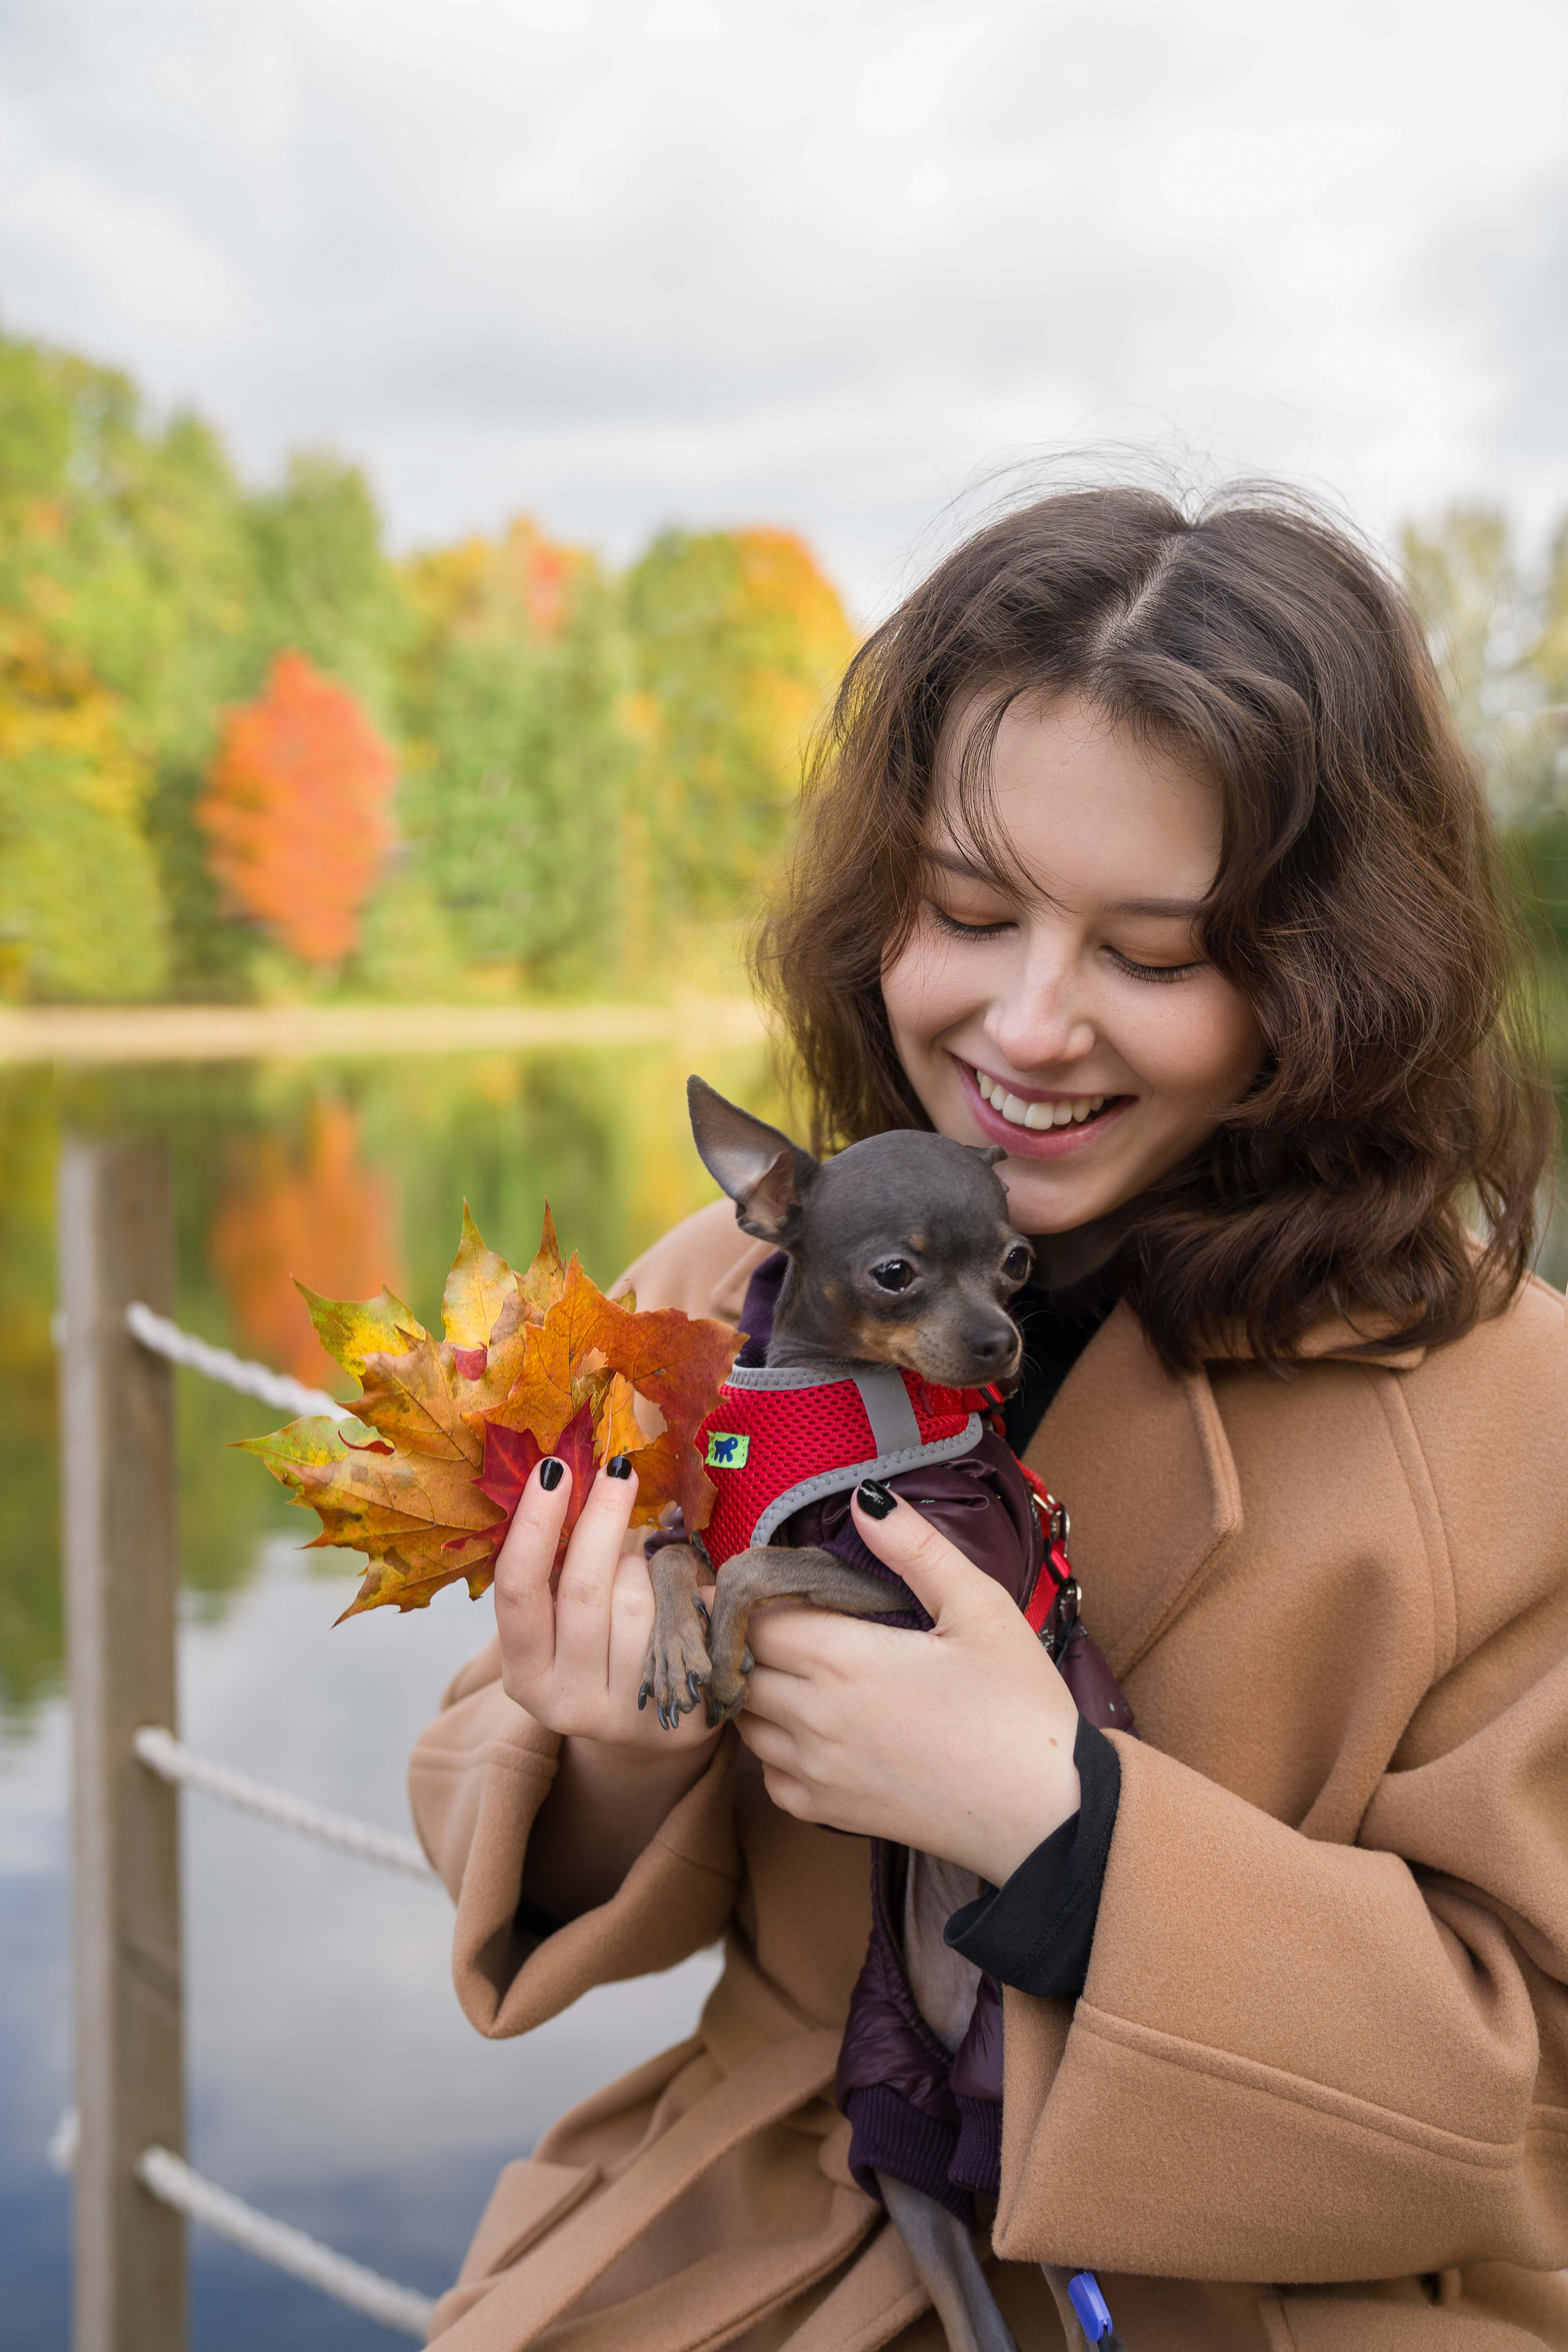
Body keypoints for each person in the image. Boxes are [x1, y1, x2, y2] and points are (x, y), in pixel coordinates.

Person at [410, 485, 1568, 2352]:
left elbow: (1522, 2096)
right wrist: (614, 1733)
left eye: (1156, 955)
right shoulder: (726, 1281)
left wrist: (1066, 1830)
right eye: (967, 912)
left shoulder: (1522, 1418)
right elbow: (513, 1793)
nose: (1030, 1026)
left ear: (1330, 982)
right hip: (756, 2233)